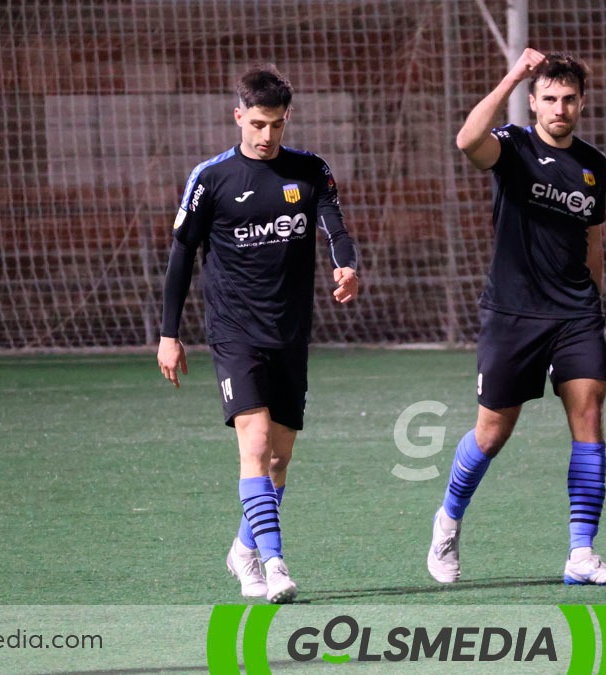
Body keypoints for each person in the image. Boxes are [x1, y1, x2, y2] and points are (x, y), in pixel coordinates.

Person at [426, 49, 606, 587]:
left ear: (581, 102)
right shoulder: (514, 147)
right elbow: (467, 141)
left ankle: (582, 553)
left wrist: (596, 302)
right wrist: (513, 75)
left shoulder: (593, 165)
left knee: (589, 417)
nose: (559, 108)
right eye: (549, 99)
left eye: (568, 99)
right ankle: (448, 519)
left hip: (575, 312)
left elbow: (594, 237)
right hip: (513, 313)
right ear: (534, 102)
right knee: (492, 432)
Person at [158, 65, 359, 604]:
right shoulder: (211, 178)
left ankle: (244, 549)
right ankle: (273, 563)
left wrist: (347, 266)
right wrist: (167, 334)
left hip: (289, 332)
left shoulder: (310, 170)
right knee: (255, 444)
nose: (267, 136)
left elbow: (334, 226)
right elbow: (181, 258)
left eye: (277, 125)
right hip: (233, 330)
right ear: (238, 116)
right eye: (258, 124)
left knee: (280, 458)